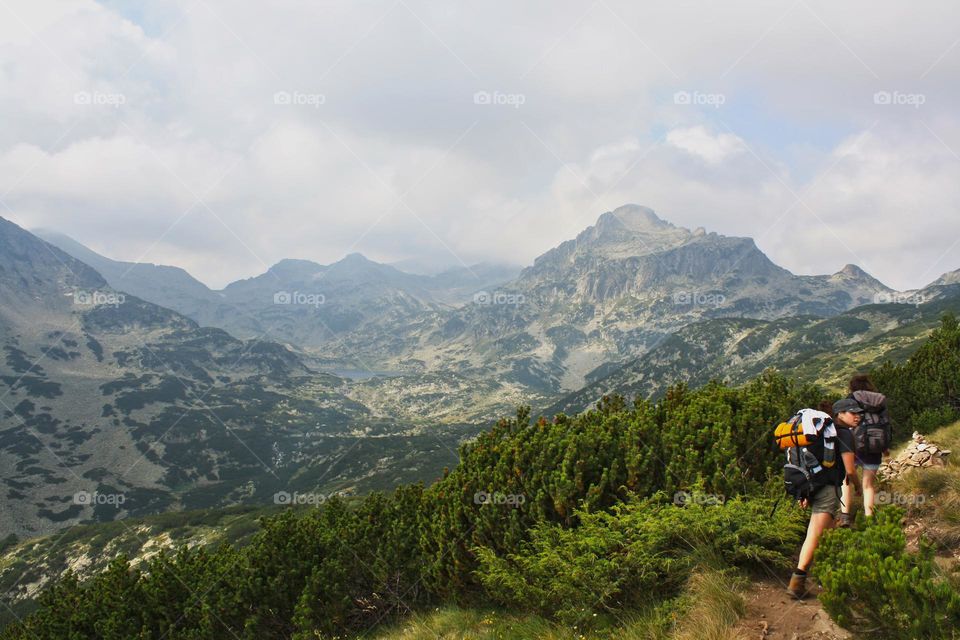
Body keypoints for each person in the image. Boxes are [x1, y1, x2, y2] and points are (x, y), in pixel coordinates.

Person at [787, 400, 860, 599]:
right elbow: (850, 469)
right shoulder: (843, 434)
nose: (857, 416)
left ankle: (831, 576)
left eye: (859, 413)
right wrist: (859, 486)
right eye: (851, 412)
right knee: (815, 534)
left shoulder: (819, 432)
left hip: (812, 485)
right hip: (828, 489)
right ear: (839, 414)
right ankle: (797, 581)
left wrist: (804, 493)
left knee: (826, 534)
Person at [838, 375, 889, 526]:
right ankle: (869, 518)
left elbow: (842, 423)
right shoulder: (880, 401)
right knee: (868, 485)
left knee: (846, 481)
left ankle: (845, 516)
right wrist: (885, 447)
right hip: (875, 445)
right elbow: (886, 424)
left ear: (852, 387)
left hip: (853, 444)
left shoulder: (850, 399)